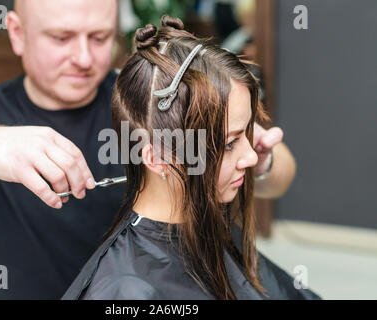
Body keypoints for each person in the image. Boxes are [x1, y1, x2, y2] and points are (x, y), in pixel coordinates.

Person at [0, 1, 294, 299]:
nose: (84, 58)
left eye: (100, 37)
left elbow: (280, 177)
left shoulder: (152, 103)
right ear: (18, 33)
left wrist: (254, 160)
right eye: (61, 38)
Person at [63, 16, 320, 300]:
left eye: (247, 131)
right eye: (230, 143)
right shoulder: (127, 291)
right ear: (158, 157)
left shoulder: (208, 227)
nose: (250, 156)